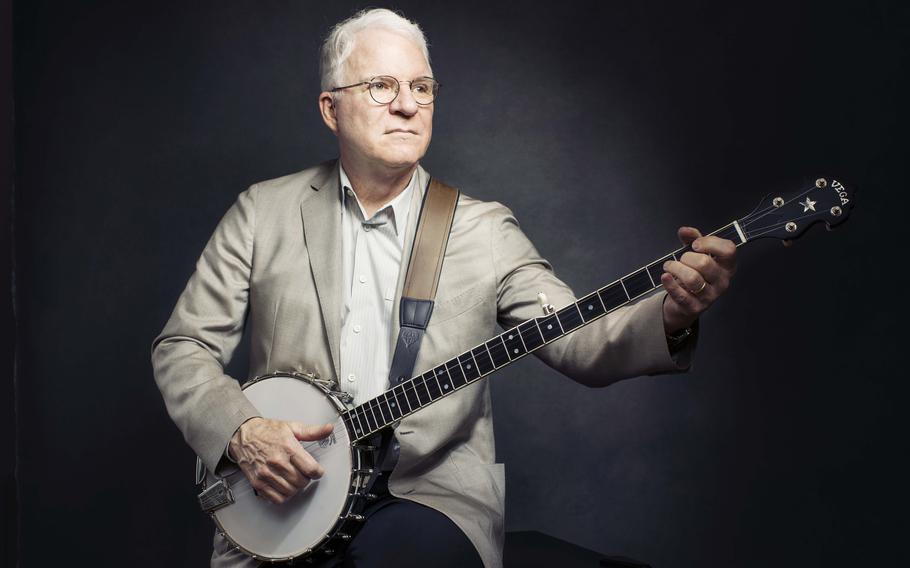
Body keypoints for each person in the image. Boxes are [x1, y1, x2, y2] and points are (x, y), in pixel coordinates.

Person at [151, 8, 737, 568]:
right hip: (283, 501)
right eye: (382, 86)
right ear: (331, 109)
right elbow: (183, 349)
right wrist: (242, 431)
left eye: (422, 87)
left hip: (424, 496)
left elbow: (583, 341)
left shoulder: (483, 230)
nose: (407, 105)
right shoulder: (263, 212)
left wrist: (672, 314)